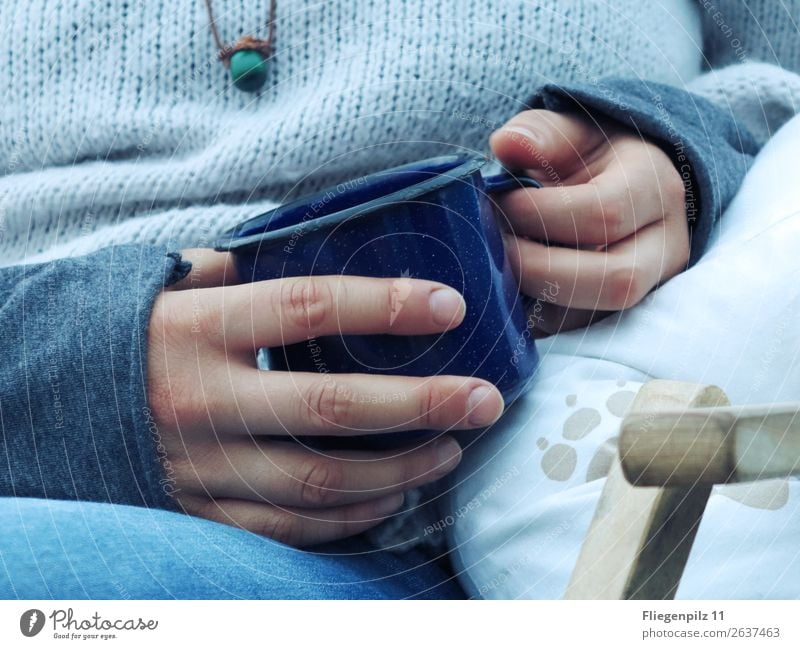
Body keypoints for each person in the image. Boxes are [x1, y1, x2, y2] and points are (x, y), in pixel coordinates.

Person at [0, 0, 798, 598]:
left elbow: (781, 84)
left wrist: (680, 154)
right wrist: (61, 387)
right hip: (74, 506)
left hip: (510, 506)